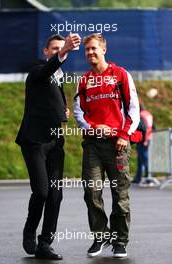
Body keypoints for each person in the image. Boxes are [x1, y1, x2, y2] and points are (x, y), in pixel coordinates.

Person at [74, 34, 141, 258]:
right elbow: (78, 112)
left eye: (94, 49)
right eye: (87, 50)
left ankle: (120, 241)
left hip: (118, 145)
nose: (90, 53)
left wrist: (124, 135)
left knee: (119, 194)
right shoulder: (83, 81)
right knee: (92, 191)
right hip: (92, 144)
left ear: (104, 49)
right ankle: (100, 236)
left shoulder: (121, 74)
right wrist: (94, 127)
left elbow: (133, 109)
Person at [15, 33, 81, 260]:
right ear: (46, 51)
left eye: (60, 49)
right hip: (34, 140)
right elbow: (45, 72)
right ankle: (30, 229)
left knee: (56, 195)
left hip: (55, 141)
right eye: (54, 48)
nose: (57, 51)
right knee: (42, 191)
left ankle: (45, 244)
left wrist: (62, 111)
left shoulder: (60, 76)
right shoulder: (37, 70)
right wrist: (64, 52)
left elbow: (49, 101)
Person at [132, 104, 155, 185]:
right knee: (142, 159)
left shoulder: (140, 115)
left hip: (142, 139)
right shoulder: (148, 114)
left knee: (144, 159)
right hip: (149, 138)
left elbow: (142, 127)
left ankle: (148, 178)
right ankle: (139, 178)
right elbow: (153, 127)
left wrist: (144, 139)